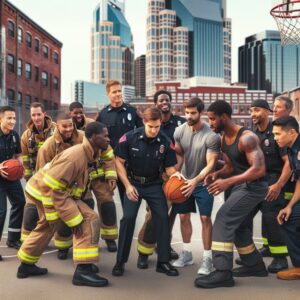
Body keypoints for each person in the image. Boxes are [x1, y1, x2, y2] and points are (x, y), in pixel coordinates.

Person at [16, 122, 110, 287]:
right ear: (94, 137)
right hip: (46, 191)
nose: (109, 139)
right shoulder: (76, 156)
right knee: (87, 218)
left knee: (46, 226)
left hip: (48, 190)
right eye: (105, 135)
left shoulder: (91, 152)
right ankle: (83, 271)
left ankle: (26, 265)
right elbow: (53, 188)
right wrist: (72, 217)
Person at [195, 100, 268, 289]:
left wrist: (227, 182)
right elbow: (230, 166)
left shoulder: (247, 138)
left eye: (212, 119)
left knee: (223, 219)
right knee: (240, 227)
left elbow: (259, 169)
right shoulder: (222, 139)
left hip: (253, 187)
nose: (209, 123)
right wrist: (217, 174)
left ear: (224, 117)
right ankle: (254, 265)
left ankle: (222, 273)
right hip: (239, 186)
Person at [112, 107, 180, 277]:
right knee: (128, 219)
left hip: (154, 184)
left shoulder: (165, 141)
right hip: (133, 183)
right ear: (144, 122)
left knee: (163, 218)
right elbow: (118, 161)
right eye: (151, 126)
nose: (154, 130)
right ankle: (120, 262)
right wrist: (127, 185)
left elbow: (170, 167)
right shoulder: (129, 138)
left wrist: (179, 177)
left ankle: (163, 262)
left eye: (157, 126)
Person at [170, 98, 220, 275]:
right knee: (183, 217)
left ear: (201, 112)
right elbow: (179, 157)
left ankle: (207, 259)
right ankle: (187, 253)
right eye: (187, 112)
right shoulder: (178, 131)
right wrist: (174, 174)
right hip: (184, 182)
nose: (189, 116)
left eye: (193, 113)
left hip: (203, 184)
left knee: (205, 219)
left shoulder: (211, 136)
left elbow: (210, 164)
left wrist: (195, 181)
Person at [136, 90, 185, 268]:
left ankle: (164, 244)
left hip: (172, 174)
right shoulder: (151, 124)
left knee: (166, 216)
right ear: (156, 104)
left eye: (167, 99)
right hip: (152, 175)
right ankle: (145, 250)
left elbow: (183, 150)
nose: (164, 102)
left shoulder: (180, 124)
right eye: (161, 100)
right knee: (154, 215)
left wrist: (175, 174)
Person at [247, 100, 291, 272]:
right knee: (245, 218)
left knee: (271, 219)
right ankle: (257, 251)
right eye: (251, 111)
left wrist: (279, 185)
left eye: (257, 110)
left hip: (273, 180)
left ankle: (280, 258)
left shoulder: (277, 131)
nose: (253, 114)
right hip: (255, 181)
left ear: (267, 111)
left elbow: (288, 163)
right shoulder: (252, 134)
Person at [69, 101, 118, 252]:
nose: (78, 115)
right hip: (79, 178)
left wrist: (111, 176)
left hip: (98, 176)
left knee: (107, 204)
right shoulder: (67, 128)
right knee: (86, 205)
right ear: (70, 113)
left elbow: (108, 155)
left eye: (80, 112)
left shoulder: (93, 126)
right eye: (75, 113)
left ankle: (110, 238)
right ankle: (83, 239)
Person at [96, 80, 143, 207]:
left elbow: (142, 134)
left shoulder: (132, 112)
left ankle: (126, 225)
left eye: (119, 91)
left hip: (127, 163)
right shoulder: (103, 114)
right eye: (114, 92)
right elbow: (96, 138)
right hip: (109, 163)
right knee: (106, 201)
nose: (118, 94)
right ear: (108, 95)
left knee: (127, 200)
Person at [273, 116, 300, 280]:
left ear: (291, 132)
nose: (275, 138)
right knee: (289, 217)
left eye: (278, 134)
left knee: (290, 219)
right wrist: (290, 206)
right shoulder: (291, 149)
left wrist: (290, 206)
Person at [0, 106, 26, 261]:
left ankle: (13, 238)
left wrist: (20, 166)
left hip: (11, 177)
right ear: (1, 119)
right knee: (1, 211)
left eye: (14, 118)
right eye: (9, 118)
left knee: (20, 202)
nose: (12, 121)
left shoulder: (15, 136)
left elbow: (18, 154)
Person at [21, 102, 55, 181]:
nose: (36, 118)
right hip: (37, 174)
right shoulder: (26, 136)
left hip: (55, 173)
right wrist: (28, 179)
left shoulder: (56, 130)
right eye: (33, 115)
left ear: (44, 114)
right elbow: (25, 160)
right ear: (30, 116)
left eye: (39, 114)